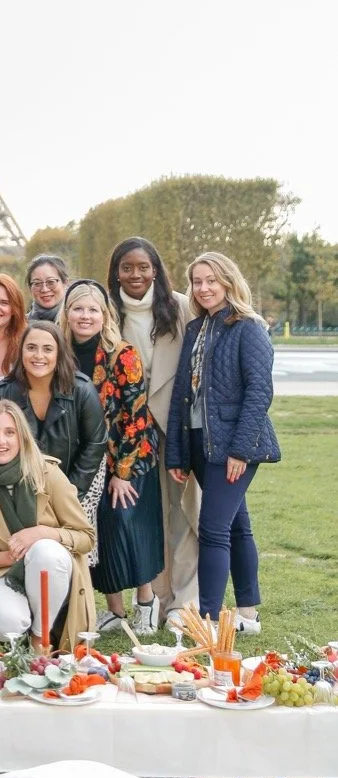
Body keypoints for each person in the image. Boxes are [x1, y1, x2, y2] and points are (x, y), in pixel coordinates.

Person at [167, 252, 280, 632]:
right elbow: (182, 394)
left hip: (233, 446)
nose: (203, 288)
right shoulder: (196, 328)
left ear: (229, 281)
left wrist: (240, 451)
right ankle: (248, 614)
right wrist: (178, 454)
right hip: (200, 444)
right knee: (236, 526)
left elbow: (259, 392)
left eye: (211, 280)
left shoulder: (249, 327)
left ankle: (209, 621)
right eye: (197, 281)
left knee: (213, 529)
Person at [59, 280, 164, 636]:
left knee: (127, 526)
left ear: (104, 315)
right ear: (67, 313)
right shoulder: (60, 353)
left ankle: (147, 601)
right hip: (87, 461)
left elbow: (136, 415)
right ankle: (115, 610)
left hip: (129, 457)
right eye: (78, 308)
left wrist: (122, 473)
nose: (85, 316)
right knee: (98, 532)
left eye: (93, 309)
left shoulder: (123, 354)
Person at [108, 237, 200, 626]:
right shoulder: (106, 310)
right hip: (129, 434)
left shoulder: (179, 306)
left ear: (156, 270)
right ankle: (158, 599)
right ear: (116, 272)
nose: (135, 274)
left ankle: (184, 602)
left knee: (184, 514)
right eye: (127, 267)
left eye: (143, 267)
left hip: (174, 426)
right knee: (149, 518)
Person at [0, 400, 96, 650]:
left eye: (10, 432)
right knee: (9, 622)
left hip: (50, 572)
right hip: (0, 574)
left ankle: (41, 637)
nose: (1, 441)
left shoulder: (48, 474)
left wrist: (42, 533)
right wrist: (4, 557)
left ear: (22, 437)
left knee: (44, 550)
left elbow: (86, 537)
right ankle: (9, 639)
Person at [0, 324, 107, 502]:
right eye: (31, 348)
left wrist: (69, 493)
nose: (39, 356)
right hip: (20, 488)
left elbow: (95, 443)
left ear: (59, 353)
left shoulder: (82, 390)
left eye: (47, 349)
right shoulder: (4, 392)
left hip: (78, 484)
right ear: (21, 351)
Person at [25, 254, 70, 323]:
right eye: (37, 283)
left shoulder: (77, 323)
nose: (44, 289)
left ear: (65, 283)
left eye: (51, 282)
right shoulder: (20, 325)